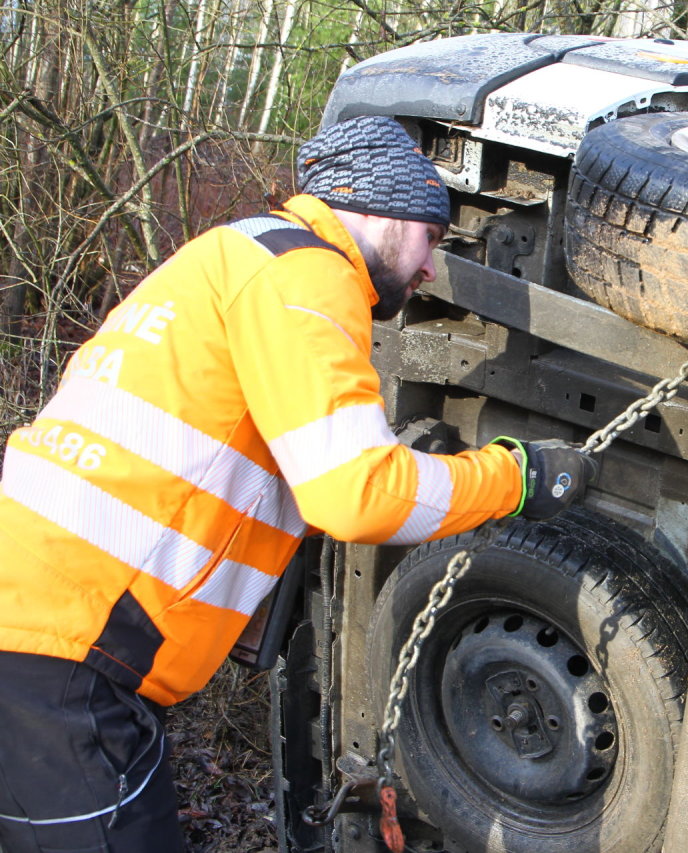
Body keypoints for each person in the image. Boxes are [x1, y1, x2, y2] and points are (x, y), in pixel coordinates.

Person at [0, 115, 596, 852]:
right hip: (64, 656)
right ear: (378, 209)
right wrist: (516, 475)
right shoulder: (309, 271)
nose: (431, 271)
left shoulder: (233, 254)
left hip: (38, 624)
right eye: (431, 238)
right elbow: (357, 492)